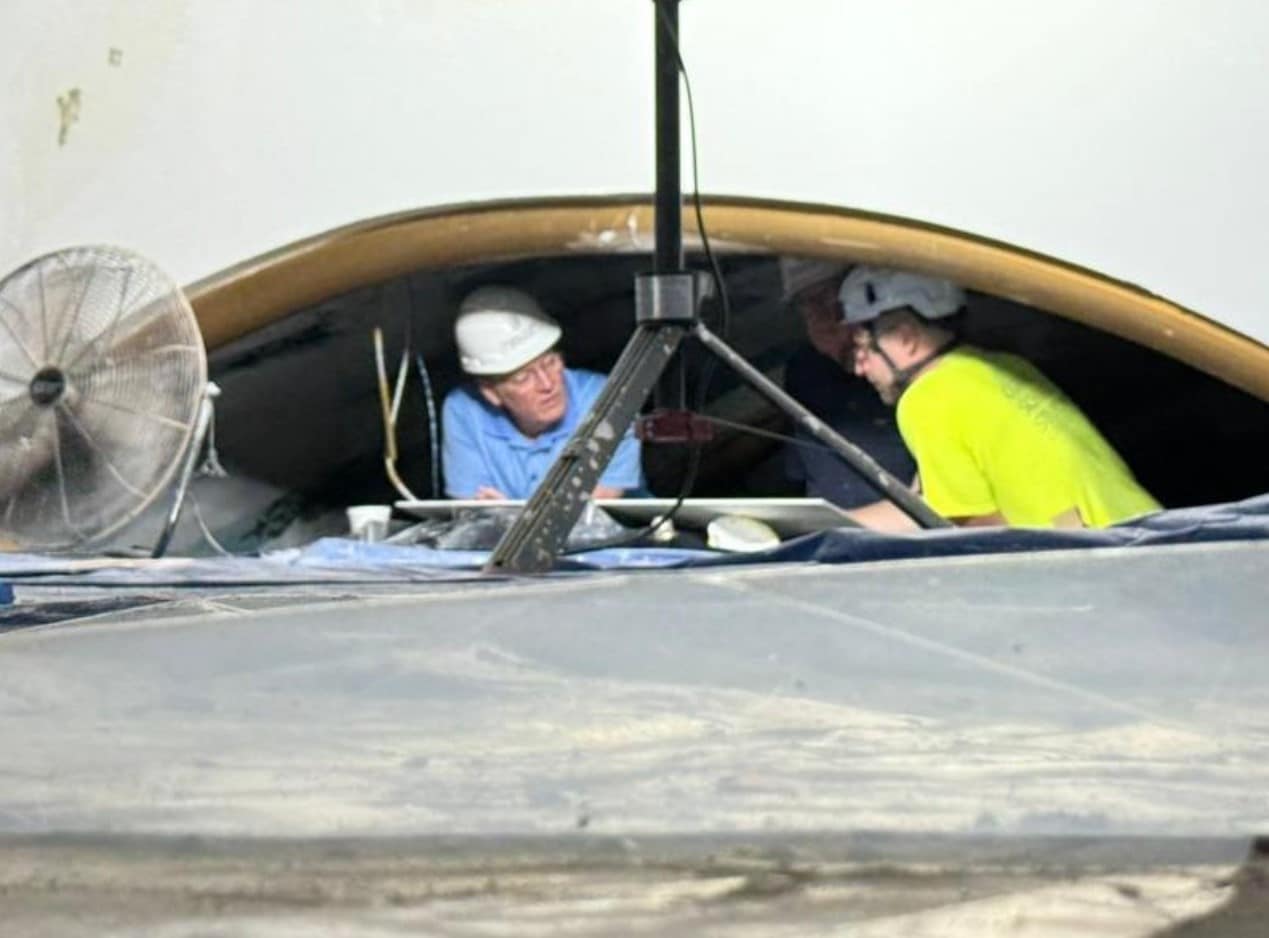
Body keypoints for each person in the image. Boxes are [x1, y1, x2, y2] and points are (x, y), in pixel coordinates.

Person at [837, 265, 1161, 531]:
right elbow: (922, 504)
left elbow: (981, 531)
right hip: (1150, 535)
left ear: (905, 337)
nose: (859, 367)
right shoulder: (1000, 368)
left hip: (1109, 562)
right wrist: (827, 526)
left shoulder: (927, 398)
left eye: (864, 348)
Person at [441, 285, 644, 500]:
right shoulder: (464, 411)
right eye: (523, 378)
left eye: (550, 362)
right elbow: (471, 509)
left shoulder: (610, 399)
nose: (547, 384)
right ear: (491, 393)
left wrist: (504, 517)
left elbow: (596, 507)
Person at [780, 259, 917, 507]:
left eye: (832, 302)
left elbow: (941, 509)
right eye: (807, 310)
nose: (823, 324)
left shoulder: (924, 379)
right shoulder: (805, 372)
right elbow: (797, 473)